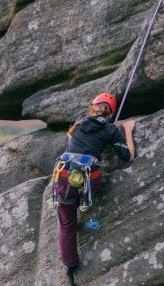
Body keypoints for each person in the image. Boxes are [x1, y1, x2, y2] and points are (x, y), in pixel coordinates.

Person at [53, 92, 136, 276]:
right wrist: (127, 130)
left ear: (93, 108)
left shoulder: (80, 123)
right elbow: (128, 157)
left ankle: (70, 264)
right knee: (88, 204)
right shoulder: (111, 130)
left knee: (66, 224)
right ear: (111, 113)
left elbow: (70, 138)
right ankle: (91, 224)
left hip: (65, 178)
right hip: (91, 180)